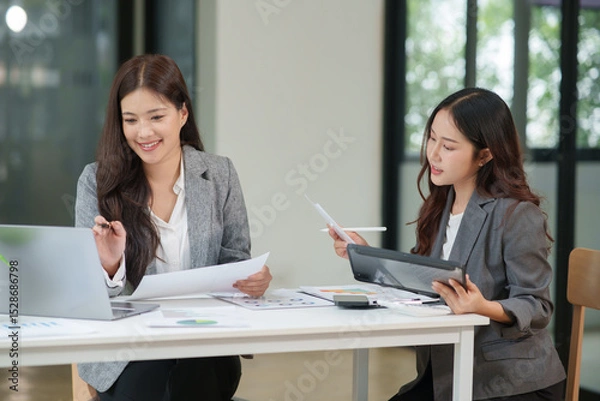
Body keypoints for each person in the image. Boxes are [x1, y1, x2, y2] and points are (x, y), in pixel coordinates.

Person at [329, 88, 566, 400]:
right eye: (432, 138)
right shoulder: (443, 203)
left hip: (510, 382)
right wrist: (364, 254)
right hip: (447, 373)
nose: (433, 154)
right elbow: (426, 278)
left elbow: (538, 306)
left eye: (449, 146)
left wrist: (484, 307)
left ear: (485, 154)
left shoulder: (518, 215)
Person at [75, 54, 272, 401]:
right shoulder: (97, 182)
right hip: (128, 352)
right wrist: (109, 266)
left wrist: (251, 281)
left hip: (203, 343)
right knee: (153, 377)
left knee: (191, 373)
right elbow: (87, 297)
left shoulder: (219, 174)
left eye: (156, 117)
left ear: (182, 114)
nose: (144, 132)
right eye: (131, 120)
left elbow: (236, 260)